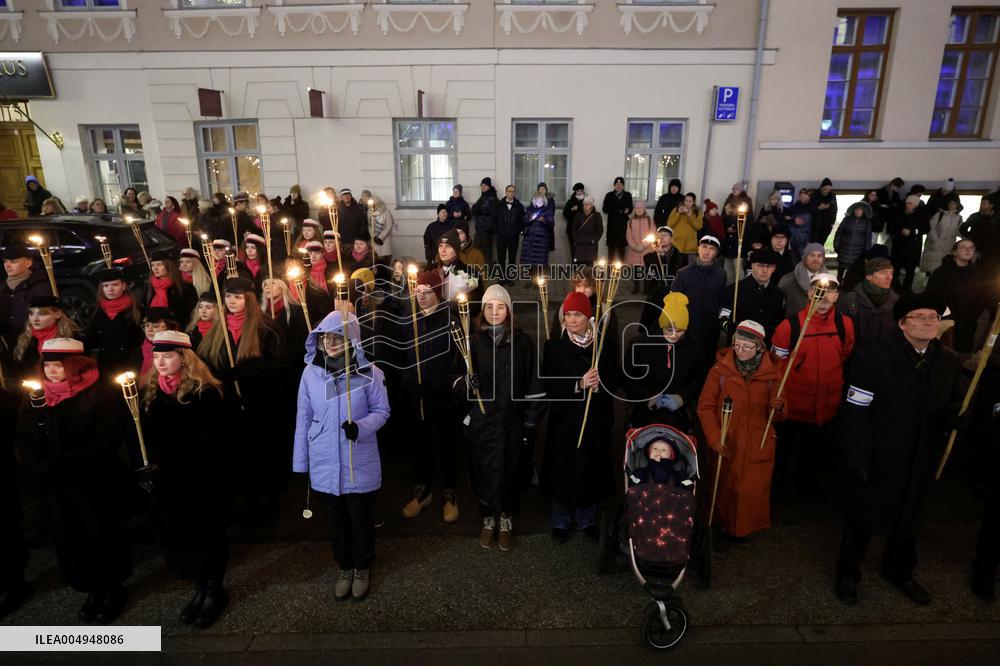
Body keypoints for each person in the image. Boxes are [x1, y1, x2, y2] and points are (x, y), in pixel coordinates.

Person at [835, 294, 962, 607]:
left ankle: (899, 568)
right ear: (902, 323)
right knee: (863, 517)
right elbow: (856, 411)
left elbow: (944, 404)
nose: (927, 322)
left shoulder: (947, 361)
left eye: (932, 317)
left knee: (909, 516)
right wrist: (858, 456)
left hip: (920, 457)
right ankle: (848, 572)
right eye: (919, 317)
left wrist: (952, 417)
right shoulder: (873, 359)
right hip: (880, 454)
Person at [15, 338, 131, 624]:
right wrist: (38, 463)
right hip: (56, 484)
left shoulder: (99, 393)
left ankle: (111, 589)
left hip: (91, 481)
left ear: (75, 365)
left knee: (99, 535)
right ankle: (91, 588)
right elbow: (24, 436)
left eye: (59, 365)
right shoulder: (36, 397)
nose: (52, 371)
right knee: (71, 539)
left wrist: (66, 462)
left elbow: (108, 438)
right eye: (48, 365)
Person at [294, 310, 390, 602]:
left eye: (338, 337)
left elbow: (382, 411)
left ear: (352, 341)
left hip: (356, 459)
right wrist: (301, 461)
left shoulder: (371, 373)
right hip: (324, 458)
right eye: (326, 339)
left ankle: (362, 567)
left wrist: (360, 427)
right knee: (335, 522)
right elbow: (304, 417)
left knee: (360, 519)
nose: (331, 344)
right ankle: (345, 567)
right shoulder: (310, 373)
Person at [139, 330, 231, 628]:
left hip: (199, 483)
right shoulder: (153, 392)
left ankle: (214, 590)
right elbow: (145, 438)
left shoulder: (206, 392)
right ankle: (199, 587)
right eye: (156, 357)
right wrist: (147, 466)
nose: (160, 363)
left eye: (167, 356)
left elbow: (212, 439)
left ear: (184, 357)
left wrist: (169, 462)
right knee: (182, 539)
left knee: (205, 536)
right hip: (169, 486)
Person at [452, 284, 544, 551]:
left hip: (512, 421)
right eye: (489, 306)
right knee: (483, 468)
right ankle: (488, 516)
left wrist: (531, 420)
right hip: (483, 420)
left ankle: (506, 516)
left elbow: (533, 382)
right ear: (482, 310)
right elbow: (454, 379)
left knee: (512, 468)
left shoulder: (522, 341)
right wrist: (466, 384)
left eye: (500, 306)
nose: (494, 311)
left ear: (509, 310)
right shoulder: (472, 343)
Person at [198, 277, 289, 523]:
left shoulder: (267, 328)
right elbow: (206, 363)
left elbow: (281, 366)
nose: (232, 301)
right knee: (239, 456)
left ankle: (269, 500)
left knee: (263, 454)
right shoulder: (219, 330)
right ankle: (248, 502)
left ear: (247, 299)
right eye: (228, 297)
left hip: (261, 405)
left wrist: (247, 371)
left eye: (237, 297)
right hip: (230, 406)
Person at [698, 320, 784, 548]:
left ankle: (740, 530)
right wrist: (714, 438)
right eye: (737, 345)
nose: (740, 351)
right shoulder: (719, 371)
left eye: (747, 346)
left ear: (759, 347)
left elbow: (776, 418)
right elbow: (705, 406)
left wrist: (780, 406)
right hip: (726, 439)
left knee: (749, 489)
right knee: (721, 485)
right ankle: (716, 527)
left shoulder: (773, 375)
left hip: (757, 442)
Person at [542, 291, 620, 543]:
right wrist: (578, 384)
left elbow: (615, 378)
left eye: (577, 314)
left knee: (590, 465)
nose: (572, 319)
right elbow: (550, 386)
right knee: (564, 467)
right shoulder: (554, 346)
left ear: (588, 317)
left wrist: (600, 385)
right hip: (566, 421)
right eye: (568, 314)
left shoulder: (602, 345)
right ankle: (561, 519)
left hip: (595, 419)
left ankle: (587, 518)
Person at [771, 274, 854, 499]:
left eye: (830, 291)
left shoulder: (844, 325)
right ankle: (776, 489)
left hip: (826, 403)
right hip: (795, 403)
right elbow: (777, 364)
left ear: (837, 296)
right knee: (784, 450)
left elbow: (844, 353)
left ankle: (806, 486)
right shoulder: (789, 326)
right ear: (809, 293)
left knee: (813, 449)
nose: (824, 296)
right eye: (818, 290)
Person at [397, 271, 462, 523]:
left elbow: (458, 359)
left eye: (427, 292)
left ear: (437, 293)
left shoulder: (450, 320)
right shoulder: (409, 320)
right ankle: (422, 490)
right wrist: (408, 380)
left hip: (442, 395)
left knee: (446, 442)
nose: (421, 297)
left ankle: (449, 492)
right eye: (418, 292)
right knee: (420, 442)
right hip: (417, 394)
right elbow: (400, 356)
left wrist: (441, 383)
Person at [624, 292, 702, 429]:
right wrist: (647, 397)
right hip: (644, 410)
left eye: (679, 331)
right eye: (669, 329)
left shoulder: (694, 347)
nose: (673, 335)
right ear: (661, 325)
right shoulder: (640, 344)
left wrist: (682, 397)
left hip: (679, 410)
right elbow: (627, 377)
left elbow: (698, 378)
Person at [670, 236, 727, 369]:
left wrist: (722, 322)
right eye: (704, 247)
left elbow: (722, 300)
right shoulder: (683, 273)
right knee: (686, 361)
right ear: (698, 248)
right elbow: (673, 302)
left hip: (710, 327)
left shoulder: (721, 274)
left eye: (712, 249)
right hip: (688, 327)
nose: (707, 251)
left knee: (706, 362)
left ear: (716, 253)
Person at [926, 239, 988, 354]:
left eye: (971, 247)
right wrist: (944, 315)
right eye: (963, 246)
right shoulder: (941, 272)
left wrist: (974, 314)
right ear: (954, 252)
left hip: (967, 322)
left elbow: (982, 296)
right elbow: (931, 296)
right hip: (945, 321)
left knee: (960, 353)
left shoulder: (978, 274)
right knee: (941, 352)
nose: (968, 249)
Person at [719, 248, 786, 345]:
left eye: (769, 266)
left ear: (774, 268)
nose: (764, 270)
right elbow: (722, 317)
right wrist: (728, 327)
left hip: (764, 346)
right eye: (760, 265)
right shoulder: (734, 290)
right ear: (752, 266)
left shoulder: (778, 294)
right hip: (739, 345)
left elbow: (778, 322)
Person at [86, 268, 144, 377]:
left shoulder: (136, 309)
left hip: (130, 363)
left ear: (124, 286)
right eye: (106, 286)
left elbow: (140, 338)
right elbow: (91, 338)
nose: (110, 289)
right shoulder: (96, 310)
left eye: (115, 285)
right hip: (106, 363)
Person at [10, 295, 80, 383]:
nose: (35, 319)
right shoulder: (26, 339)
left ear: (57, 314)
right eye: (31, 313)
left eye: (42, 314)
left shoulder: (72, 339)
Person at [837, 257, 899, 355]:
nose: (889, 277)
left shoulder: (897, 304)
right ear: (869, 276)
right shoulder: (849, 301)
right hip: (853, 360)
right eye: (883, 272)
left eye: (891, 272)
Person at [1, 243, 53, 355]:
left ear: (28, 263)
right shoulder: (3, 288)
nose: (8, 266)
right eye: (5, 261)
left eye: (14, 262)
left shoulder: (40, 286)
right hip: (8, 347)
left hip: (33, 347)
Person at [639, 226, 687, 331]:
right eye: (659, 235)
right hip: (655, 299)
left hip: (672, 297)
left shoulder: (681, 257)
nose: (662, 237)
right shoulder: (649, 257)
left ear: (672, 239)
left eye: (665, 235)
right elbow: (651, 278)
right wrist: (659, 256)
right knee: (652, 330)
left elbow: (673, 275)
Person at [145, 250, 198, 329]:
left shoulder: (185, 288)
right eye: (152, 265)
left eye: (159, 265)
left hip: (178, 330)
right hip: (154, 332)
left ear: (169, 266)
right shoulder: (150, 287)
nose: (155, 268)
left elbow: (192, 313)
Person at [890, 194, 931, 294]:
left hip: (913, 246)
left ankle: (906, 290)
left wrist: (912, 231)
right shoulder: (899, 213)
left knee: (910, 271)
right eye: (907, 203)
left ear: (916, 204)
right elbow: (892, 227)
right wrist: (900, 231)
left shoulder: (922, 215)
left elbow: (926, 229)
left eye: (910, 203)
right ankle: (894, 289)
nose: (908, 205)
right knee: (895, 269)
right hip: (898, 246)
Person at [778, 243, 826, 319]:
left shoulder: (830, 281)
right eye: (812, 255)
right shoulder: (787, 280)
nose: (816, 260)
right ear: (805, 258)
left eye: (820, 256)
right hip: (794, 325)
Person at [920, 195, 964, 275]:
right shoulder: (940, 215)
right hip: (935, 244)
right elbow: (931, 228)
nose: (951, 205)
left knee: (942, 269)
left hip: (948, 247)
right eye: (950, 203)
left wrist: (966, 239)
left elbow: (959, 231)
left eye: (954, 203)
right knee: (931, 267)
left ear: (957, 205)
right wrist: (935, 240)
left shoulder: (959, 218)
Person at [833, 201, 873, 282]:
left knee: (854, 272)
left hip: (858, 251)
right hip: (844, 248)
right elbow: (839, 233)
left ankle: (849, 287)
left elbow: (868, 237)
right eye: (856, 209)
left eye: (860, 210)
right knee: (840, 270)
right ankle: (838, 285)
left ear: (864, 211)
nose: (858, 211)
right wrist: (836, 245)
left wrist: (867, 250)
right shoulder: (846, 220)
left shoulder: (867, 222)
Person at [959, 196, 998, 275]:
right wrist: (970, 237)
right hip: (974, 249)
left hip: (990, 251)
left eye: (984, 204)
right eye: (981, 203)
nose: (981, 205)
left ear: (991, 205)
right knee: (970, 270)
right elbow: (962, 228)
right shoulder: (975, 216)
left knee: (987, 272)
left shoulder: (996, 218)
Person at [496, 185, 524, 283]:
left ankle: (511, 278)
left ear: (515, 193)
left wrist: (517, 231)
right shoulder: (499, 205)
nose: (511, 193)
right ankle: (501, 277)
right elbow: (493, 219)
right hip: (501, 236)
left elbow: (522, 221)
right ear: (506, 192)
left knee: (512, 258)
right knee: (501, 258)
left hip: (513, 237)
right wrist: (498, 231)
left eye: (513, 191)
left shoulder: (519, 206)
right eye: (509, 191)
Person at [522, 189, 554, 271]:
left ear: (544, 200)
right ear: (533, 200)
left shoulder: (547, 210)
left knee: (540, 265)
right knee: (530, 265)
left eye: (540, 200)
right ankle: (531, 281)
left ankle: (539, 281)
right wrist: (530, 219)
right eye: (537, 199)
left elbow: (551, 224)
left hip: (541, 241)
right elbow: (524, 222)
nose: (538, 202)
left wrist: (544, 220)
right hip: (530, 240)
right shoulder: (529, 209)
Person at [602, 177, 633, 263]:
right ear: (614, 185)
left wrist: (627, 210)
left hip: (623, 224)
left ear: (623, 185)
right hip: (612, 224)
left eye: (620, 184)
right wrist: (617, 210)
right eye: (617, 184)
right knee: (611, 248)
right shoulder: (609, 195)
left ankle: (621, 268)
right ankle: (610, 268)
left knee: (622, 248)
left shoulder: (628, 195)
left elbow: (630, 208)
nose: (618, 186)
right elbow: (604, 209)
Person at [666, 192, 703, 260]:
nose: (687, 203)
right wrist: (678, 214)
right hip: (677, 245)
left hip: (690, 247)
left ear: (693, 202)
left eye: (690, 201)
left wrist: (690, 217)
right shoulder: (676, 209)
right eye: (686, 200)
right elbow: (669, 224)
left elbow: (698, 227)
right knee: (676, 268)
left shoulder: (697, 212)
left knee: (690, 269)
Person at [471, 177, 498, 266]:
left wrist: (479, 210)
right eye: (481, 185)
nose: (483, 187)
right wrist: (479, 210)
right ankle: (478, 272)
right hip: (479, 228)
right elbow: (474, 210)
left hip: (487, 229)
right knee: (476, 250)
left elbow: (484, 210)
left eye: (485, 185)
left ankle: (487, 273)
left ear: (489, 186)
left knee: (487, 252)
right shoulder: (482, 197)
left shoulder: (493, 198)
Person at [875, 177, 906, 245]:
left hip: (890, 219)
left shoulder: (896, 194)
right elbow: (876, 205)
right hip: (880, 218)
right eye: (898, 187)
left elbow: (896, 207)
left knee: (886, 239)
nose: (898, 189)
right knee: (875, 238)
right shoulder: (879, 192)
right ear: (892, 184)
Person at [366, 192, 395, 261]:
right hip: (374, 240)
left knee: (385, 259)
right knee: (375, 259)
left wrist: (380, 237)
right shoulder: (369, 212)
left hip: (384, 240)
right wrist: (374, 235)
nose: (372, 206)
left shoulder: (385, 212)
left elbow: (389, 226)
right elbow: (370, 225)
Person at [786, 188, 814, 261]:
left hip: (805, 240)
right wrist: (793, 220)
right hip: (792, 239)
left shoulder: (813, 209)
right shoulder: (793, 208)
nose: (803, 197)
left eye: (805, 195)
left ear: (809, 196)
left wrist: (812, 239)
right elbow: (785, 218)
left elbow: (816, 225)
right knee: (792, 260)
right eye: (801, 195)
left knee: (804, 261)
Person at [563, 182, 587, 259]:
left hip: (584, 229)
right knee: (573, 248)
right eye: (578, 191)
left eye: (581, 190)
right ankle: (574, 266)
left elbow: (592, 213)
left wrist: (580, 208)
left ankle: (583, 266)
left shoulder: (587, 201)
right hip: (572, 229)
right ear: (575, 191)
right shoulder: (570, 202)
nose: (579, 192)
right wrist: (572, 209)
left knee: (584, 248)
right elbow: (565, 214)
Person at [811, 178, 838, 244]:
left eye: (829, 189)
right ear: (821, 188)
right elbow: (809, 209)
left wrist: (832, 223)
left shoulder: (832, 197)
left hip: (827, 225)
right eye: (825, 189)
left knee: (821, 242)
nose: (827, 191)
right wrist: (818, 209)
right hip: (814, 224)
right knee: (813, 242)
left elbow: (834, 210)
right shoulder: (814, 196)